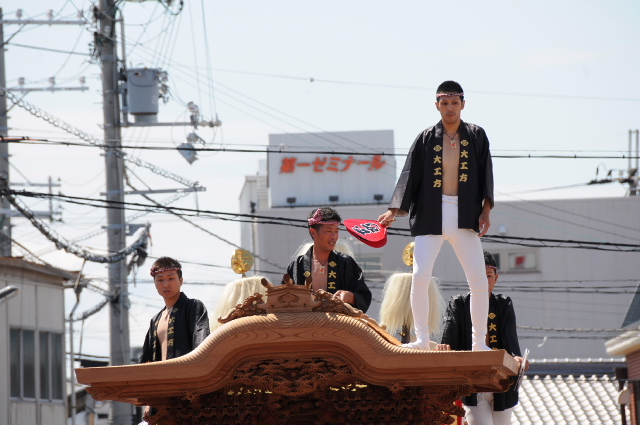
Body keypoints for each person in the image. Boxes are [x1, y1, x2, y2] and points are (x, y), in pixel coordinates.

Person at [378, 80, 493, 351]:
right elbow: (409, 175)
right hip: (431, 211)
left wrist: (486, 210)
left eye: (454, 103)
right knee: (420, 277)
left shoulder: (476, 135)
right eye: (445, 103)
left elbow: (486, 172)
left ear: (463, 104)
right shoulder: (426, 137)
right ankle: (421, 339)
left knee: (478, 281)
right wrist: (393, 210)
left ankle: (479, 343)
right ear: (437, 105)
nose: (450, 108)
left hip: (466, 213)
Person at [436, 251, 529, 425]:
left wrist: (516, 357)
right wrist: (444, 345)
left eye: (488, 276)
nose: (484, 281)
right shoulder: (458, 303)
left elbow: (510, 336)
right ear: (470, 277)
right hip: (473, 383)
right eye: (479, 276)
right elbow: (449, 335)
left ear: (496, 278)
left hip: (501, 380)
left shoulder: (503, 303)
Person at [138, 257, 210, 421]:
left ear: (181, 281)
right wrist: (149, 400)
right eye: (160, 280)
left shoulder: (194, 306)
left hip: (187, 388)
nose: (166, 284)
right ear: (155, 284)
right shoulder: (155, 319)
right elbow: (146, 363)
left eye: (171, 278)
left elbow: (202, 345)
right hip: (161, 392)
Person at [284, 207, 372, 313]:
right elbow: (283, 298)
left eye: (336, 231)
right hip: (304, 321)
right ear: (313, 232)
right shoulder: (297, 265)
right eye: (329, 231)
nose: (334, 236)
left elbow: (363, 296)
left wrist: (349, 296)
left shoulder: (346, 262)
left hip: (339, 321)